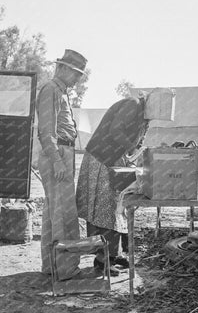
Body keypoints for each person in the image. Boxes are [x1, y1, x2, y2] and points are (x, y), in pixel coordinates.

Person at [76, 94, 151, 276]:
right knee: (104, 209)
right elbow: (115, 130)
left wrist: (138, 151)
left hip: (114, 160)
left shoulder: (145, 117)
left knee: (117, 209)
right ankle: (102, 260)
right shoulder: (132, 105)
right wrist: (133, 150)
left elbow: (137, 141)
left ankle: (113, 255)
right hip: (101, 158)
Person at [36, 49, 87, 281]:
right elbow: (46, 132)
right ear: (63, 68)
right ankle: (66, 269)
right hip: (57, 154)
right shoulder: (51, 90)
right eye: (76, 73)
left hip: (63, 152)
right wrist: (57, 160)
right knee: (64, 214)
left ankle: (52, 265)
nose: (78, 78)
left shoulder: (60, 92)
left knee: (53, 213)